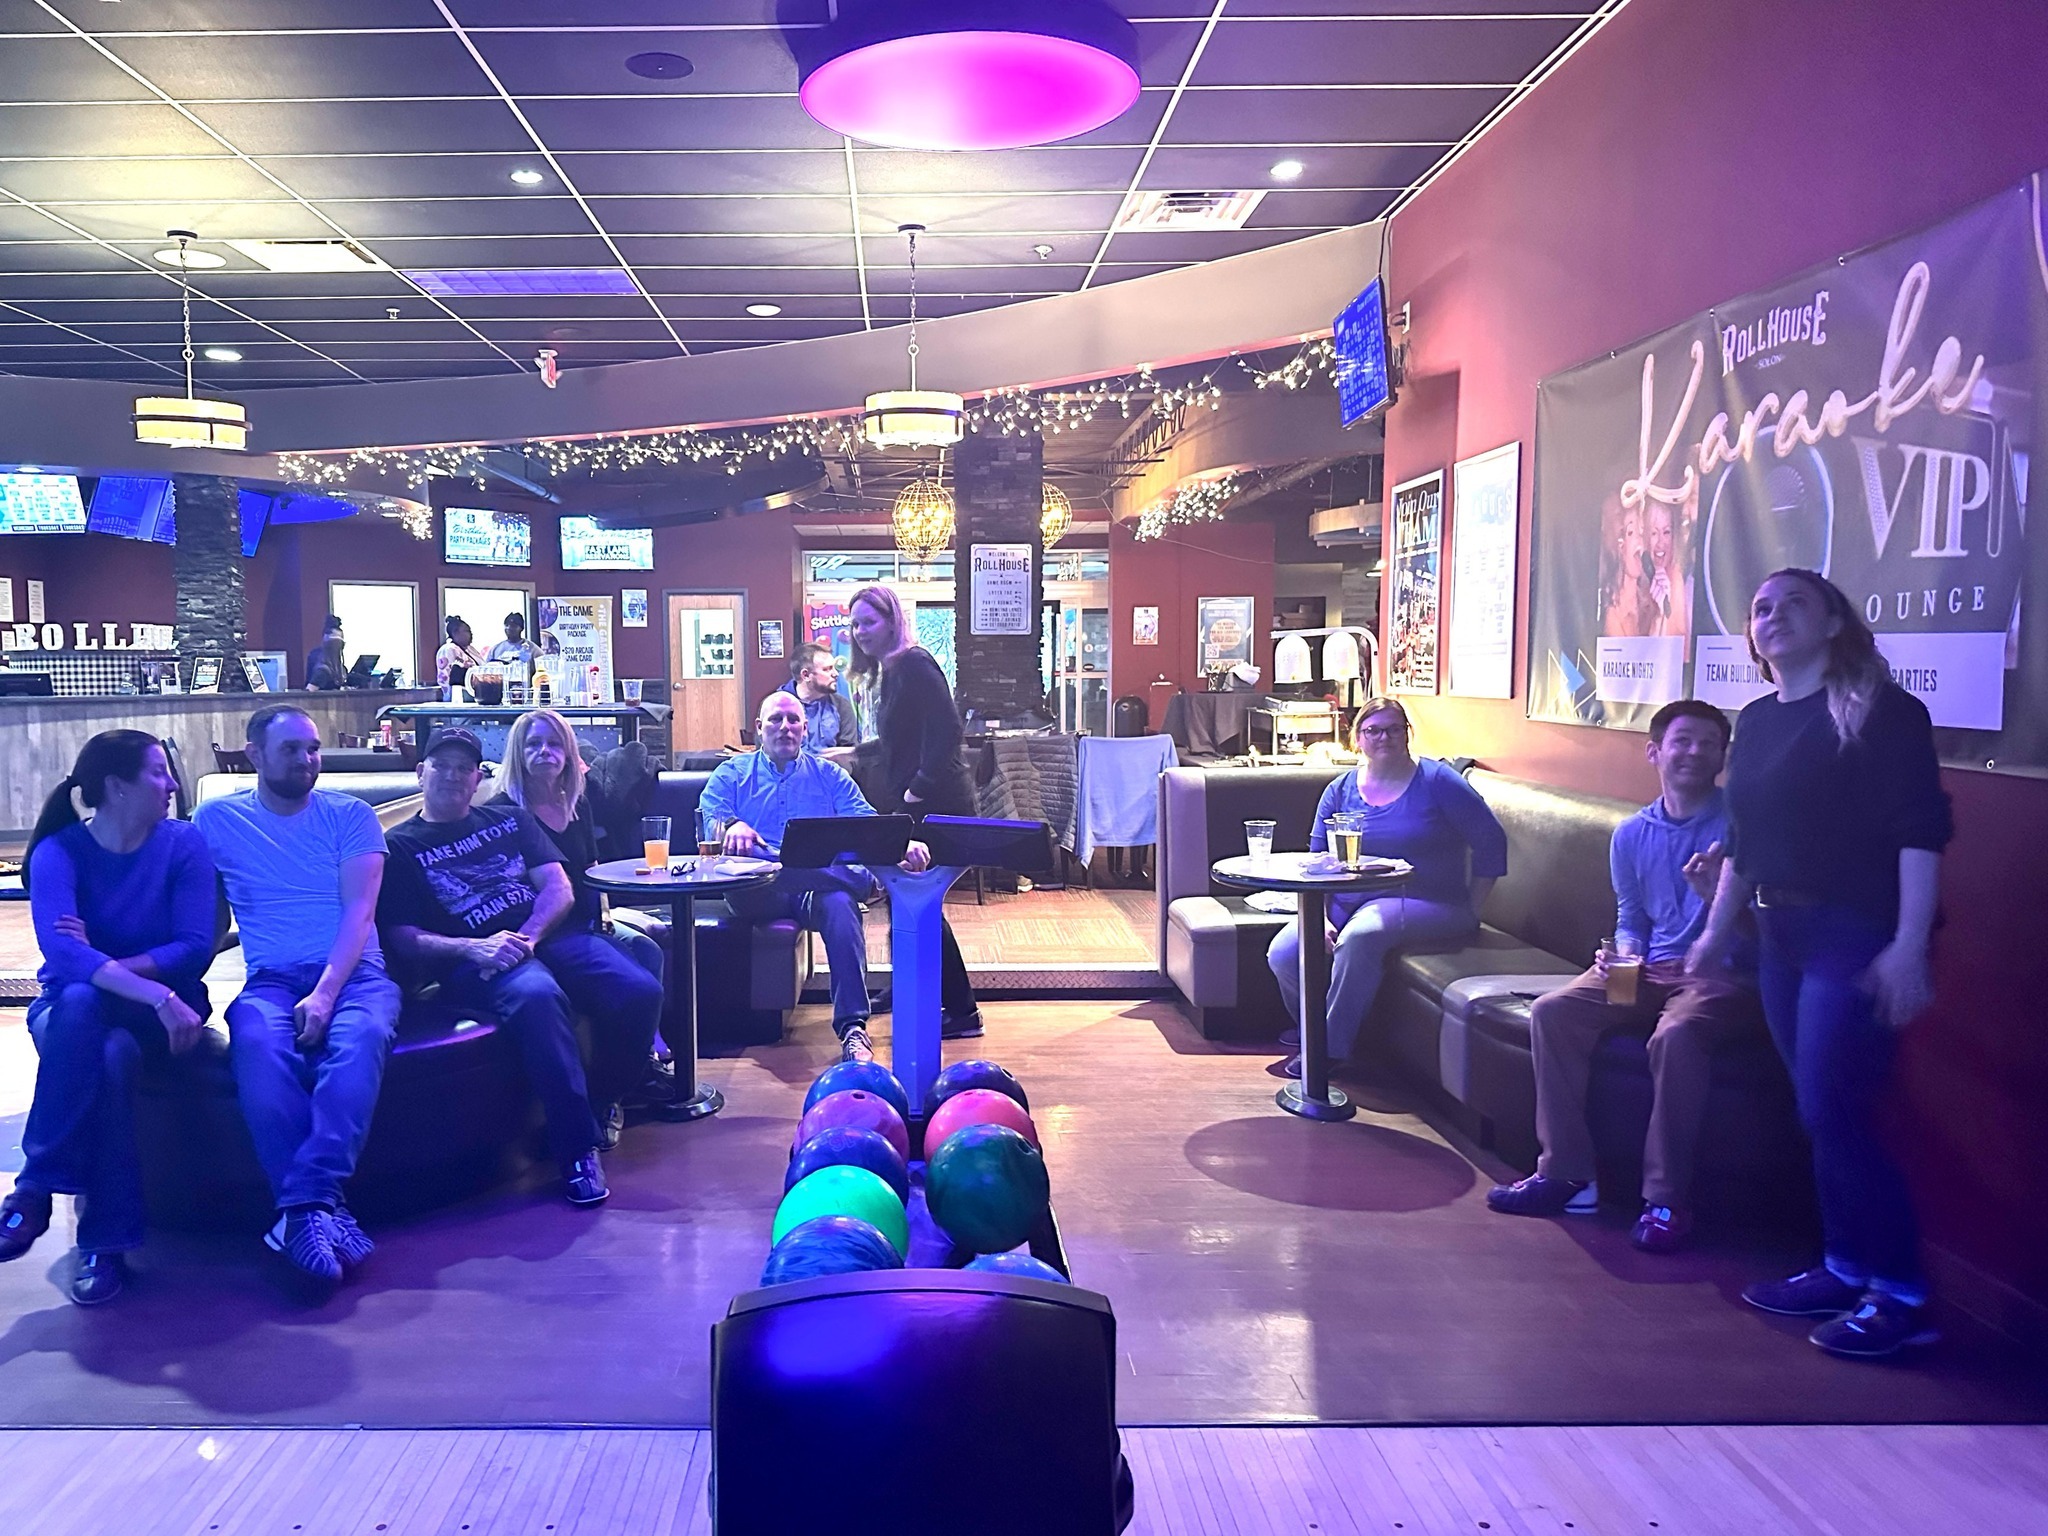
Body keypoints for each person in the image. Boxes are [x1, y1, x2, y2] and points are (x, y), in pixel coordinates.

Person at [1687, 569, 1953, 1360]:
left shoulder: (1883, 711)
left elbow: (1921, 831)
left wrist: (1908, 945)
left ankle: (1902, 1295)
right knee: (1814, 1109)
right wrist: (1712, 934)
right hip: (1779, 937)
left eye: (1794, 604)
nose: (1774, 617)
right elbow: (1743, 844)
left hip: (1853, 932)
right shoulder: (1758, 718)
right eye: (1761, 608)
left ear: (1834, 623)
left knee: (1837, 1110)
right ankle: (1844, 1267)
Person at [1488, 699, 1765, 1251]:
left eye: (1708, 744)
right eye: (1682, 741)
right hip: (1649, 970)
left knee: (1676, 1036)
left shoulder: (1741, 827)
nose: (1694, 752)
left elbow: (1765, 932)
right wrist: (1623, 954)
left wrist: (1717, 899)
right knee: (1553, 1012)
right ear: (1654, 752)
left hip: (1721, 974)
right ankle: (1566, 1173)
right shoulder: (1633, 833)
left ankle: (1666, 1200)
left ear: (1723, 757)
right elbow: (1632, 918)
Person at [377, 727, 661, 1201]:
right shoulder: (400, 846)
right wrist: (472, 948)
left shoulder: (509, 819)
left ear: (477, 779)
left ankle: (599, 1101)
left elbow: (559, 887)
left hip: (544, 936)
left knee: (640, 991)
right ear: (420, 772)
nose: (453, 776)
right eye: (442, 766)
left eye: (464, 768)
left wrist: (528, 937)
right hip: (478, 959)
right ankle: (577, 1150)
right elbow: (401, 936)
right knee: (538, 996)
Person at [1, 732, 217, 1305]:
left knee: (85, 1000)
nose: (171, 784)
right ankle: (104, 1245)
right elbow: (61, 954)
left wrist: (105, 965)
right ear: (117, 787)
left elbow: (194, 946)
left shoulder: (183, 845)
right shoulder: (58, 852)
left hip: (163, 1010)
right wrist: (151, 990)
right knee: (106, 1046)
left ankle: (35, 1188)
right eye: (158, 773)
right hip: (100, 1009)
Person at [194, 705, 402, 1286]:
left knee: (361, 1037)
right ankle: (318, 1214)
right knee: (257, 1044)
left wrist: (326, 992)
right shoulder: (215, 820)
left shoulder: (351, 816)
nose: (307, 760)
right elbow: (203, 917)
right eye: (291, 749)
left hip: (357, 974)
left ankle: (303, 1207)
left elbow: (360, 914)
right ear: (254, 754)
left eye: (312, 748)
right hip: (272, 979)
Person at [1266, 698, 1507, 1070]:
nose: (1385, 737)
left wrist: (1472, 908)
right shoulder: (1339, 789)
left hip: (1428, 900)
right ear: (1357, 738)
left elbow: (1491, 840)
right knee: (1284, 951)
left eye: (1395, 729)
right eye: (1373, 730)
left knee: (1361, 935)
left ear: (1408, 734)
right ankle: (1316, 1030)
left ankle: (1328, 1052)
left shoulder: (1438, 781)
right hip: (1348, 901)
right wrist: (1321, 917)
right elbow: (1317, 862)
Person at [700, 691, 932, 1063]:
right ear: (759, 728)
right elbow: (710, 814)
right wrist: (732, 825)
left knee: (839, 905)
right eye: (776, 720)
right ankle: (858, 881)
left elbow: (865, 822)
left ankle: (853, 1028)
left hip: (813, 891)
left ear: (805, 729)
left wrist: (900, 844)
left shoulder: (829, 776)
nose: (785, 727)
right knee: (769, 865)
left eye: (793, 720)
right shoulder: (733, 773)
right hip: (757, 891)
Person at [500, 708, 679, 1110]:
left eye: (554, 744)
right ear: (517, 753)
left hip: (587, 919)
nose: (544, 752)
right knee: (639, 985)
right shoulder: (504, 811)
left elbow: (592, 868)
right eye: (533, 744)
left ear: (568, 753)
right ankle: (610, 1095)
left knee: (648, 949)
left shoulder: (575, 804)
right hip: (546, 930)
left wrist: (610, 915)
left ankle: (639, 1065)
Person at [847, 583, 981, 1039]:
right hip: (914, 805)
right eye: (855, 624)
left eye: (868, 622)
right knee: (903, 897)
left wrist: (916, 792)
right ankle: (907, 985)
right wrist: (853, 753)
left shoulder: (915, 664)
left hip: (938, 806)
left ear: (892, 621)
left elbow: (947, 731)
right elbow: (897, 741)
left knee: (920, 901)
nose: (860, 631)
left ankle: (963, 1012)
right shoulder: (891, 670)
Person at [785, 642, 859, 751]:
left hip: (830, 762)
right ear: (806, 675)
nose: (835, 674)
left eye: (834, 668)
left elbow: (849, 751)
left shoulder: (841, 706)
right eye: (827, 669)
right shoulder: (776, 706)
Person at [435, 616, 484, 690]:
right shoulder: (448, 649)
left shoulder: (471, 649)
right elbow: (446, 679)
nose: (471, 634)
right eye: (467, 631)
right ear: (455, 633)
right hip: (458, 693)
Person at [305, 615, 346, 691]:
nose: (338, 647)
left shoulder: (340, 670)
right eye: (335, 643)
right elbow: (308, 693)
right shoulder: (322, 672)